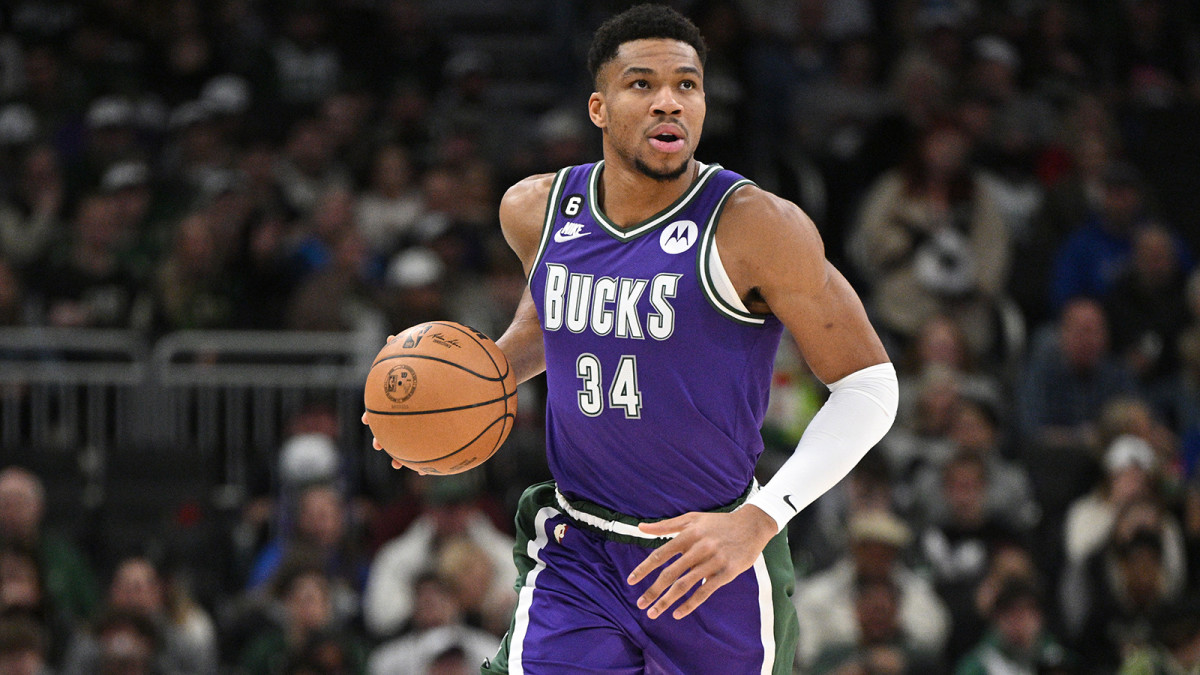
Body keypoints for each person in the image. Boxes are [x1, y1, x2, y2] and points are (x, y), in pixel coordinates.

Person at [364, 5, 897, 673]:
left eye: (687, 85)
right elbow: (548, 326)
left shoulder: (756, 226)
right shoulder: (535, 210)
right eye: (642, 84)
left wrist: (762, 517)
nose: (668, 101)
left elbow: (870, 384)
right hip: (579, 549)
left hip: (706, 554)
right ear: (599, 106)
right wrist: (440, 409)